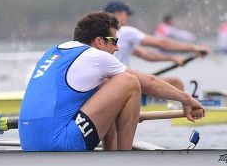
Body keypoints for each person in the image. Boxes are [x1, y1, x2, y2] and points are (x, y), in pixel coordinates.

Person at [20, 11, 203, 151]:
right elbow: (150, 83)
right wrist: (186, 99)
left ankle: (111, 154)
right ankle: (120, 161)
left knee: (108, 84)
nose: (117, 47)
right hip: (59, 143)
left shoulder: (54, 51)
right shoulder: (95, 57)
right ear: (99, 41)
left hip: (28, 143)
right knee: (128, 82)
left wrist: (124, 114)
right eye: (114, 41)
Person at [103, 1, 209, 89]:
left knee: (144, 78)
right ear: (117, 14)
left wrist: (173, 58)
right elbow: (162, 43)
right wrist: (194, 48)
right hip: (119, 82)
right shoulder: (125, 31)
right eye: (127, 14)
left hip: (109, 81)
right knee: (176, 83)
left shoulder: (102, 33)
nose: (128, 18)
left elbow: (145, 54)